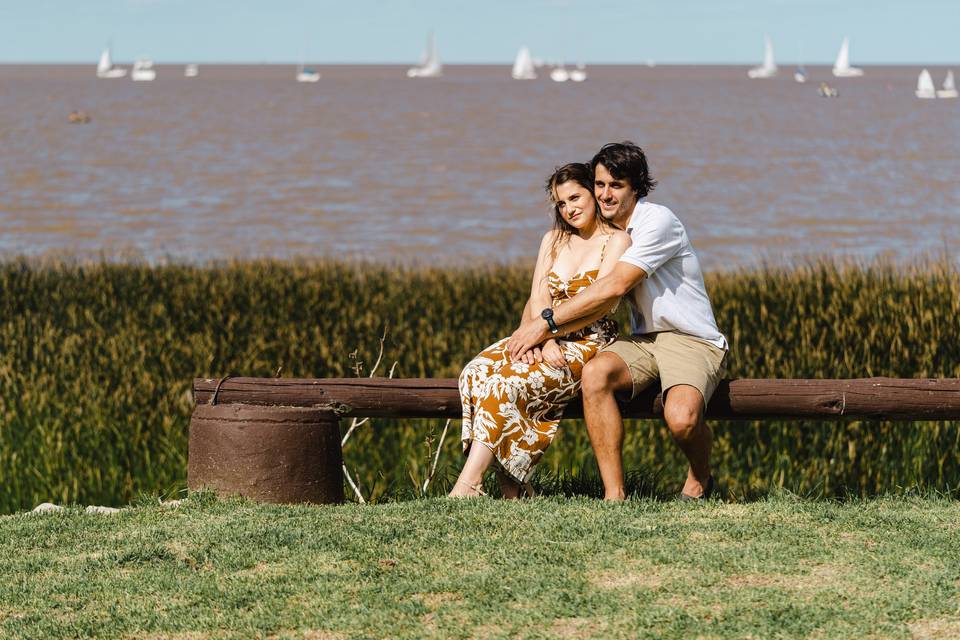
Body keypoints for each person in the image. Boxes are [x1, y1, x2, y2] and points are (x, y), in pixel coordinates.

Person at [508, 142, 727, 501]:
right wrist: (536, 334)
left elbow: (615, 285)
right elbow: (551, 283)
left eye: (616, 185)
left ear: (636, 187)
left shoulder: (657, 222)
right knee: (596, 374)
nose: (605, 194)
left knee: (682, 419)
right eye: (599, 184)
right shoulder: (603, 229)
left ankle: (700, 477)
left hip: (690, 339)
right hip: (643, 340)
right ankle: (615, 496)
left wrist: (544, 325)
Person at [450, 162, 631, 498]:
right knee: (475, 373)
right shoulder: (553, 239)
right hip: (542, 333)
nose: (569, 208)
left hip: (589, 342)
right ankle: (514, 486)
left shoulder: (617, 241)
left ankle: (470, 483)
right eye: (561, 203)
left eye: (575, 197)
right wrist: (538, 337)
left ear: (593, 192)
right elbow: (538, 296)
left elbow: (600, 305)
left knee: (508, 383)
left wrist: (547, 335)